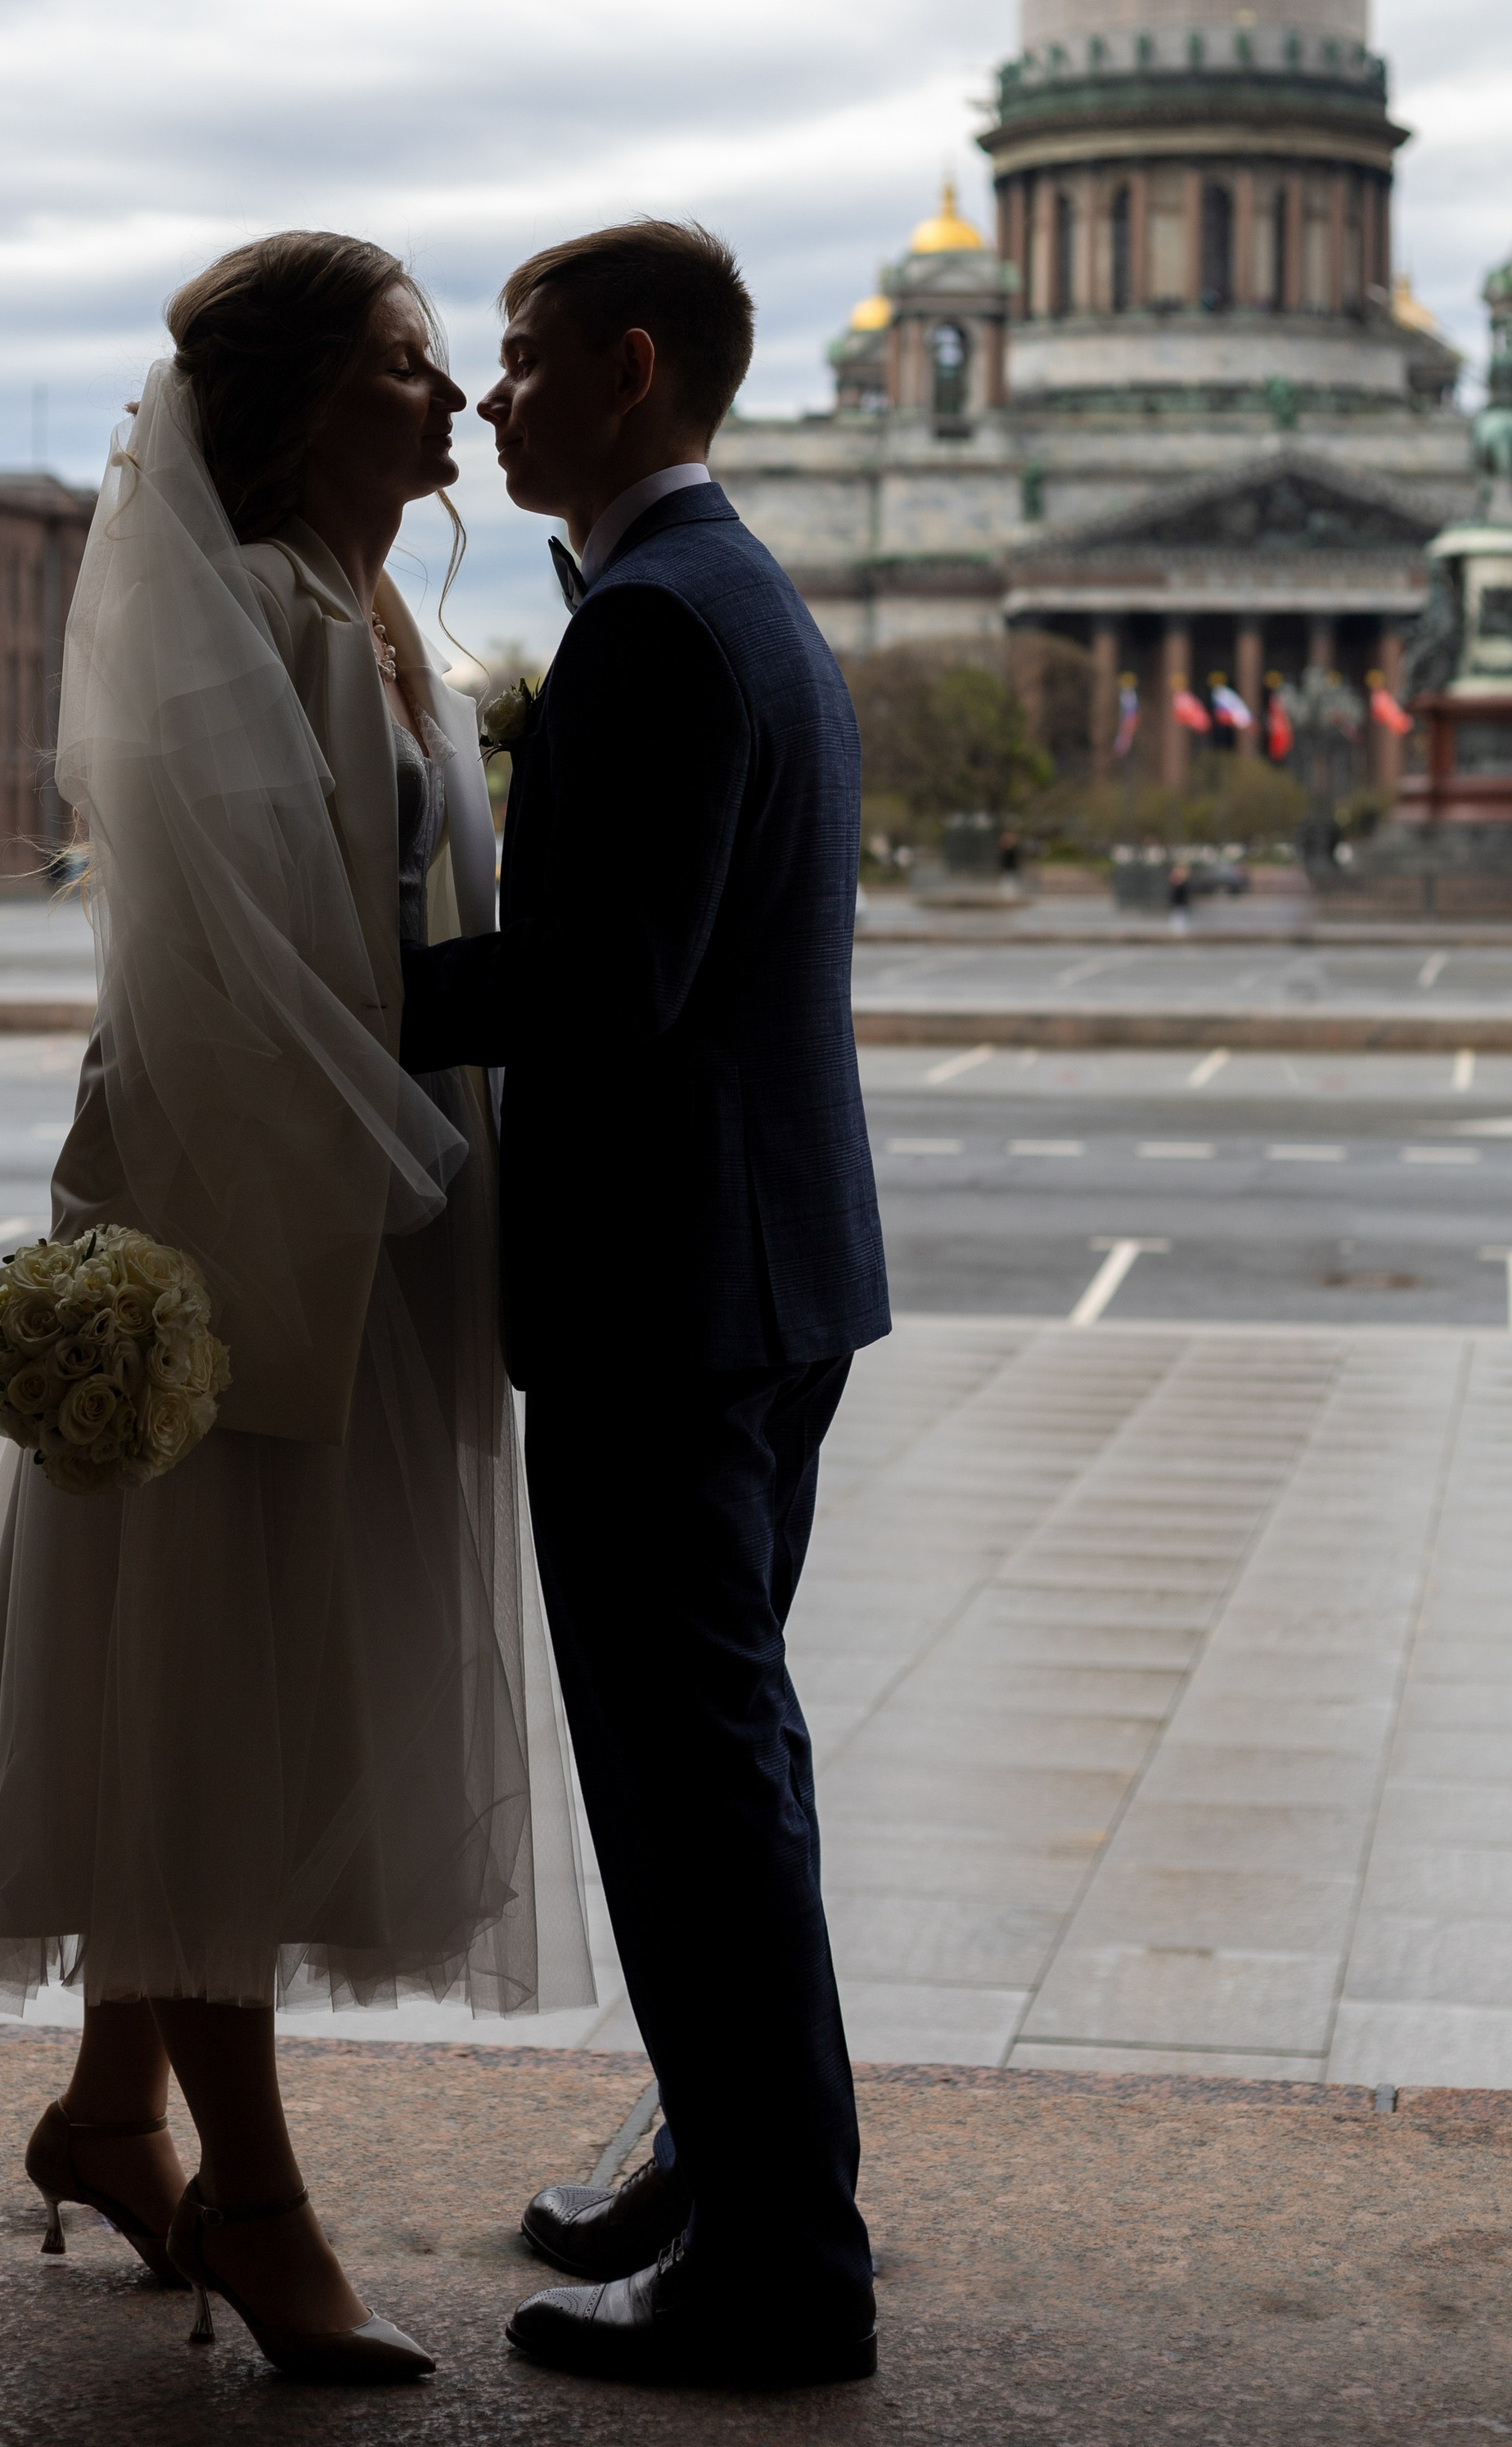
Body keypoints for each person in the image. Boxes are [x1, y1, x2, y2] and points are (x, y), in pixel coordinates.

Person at [0, 232, 591, 2386]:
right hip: (253, 1234)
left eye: (448, 370)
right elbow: (243, 984)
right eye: (406, 371)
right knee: (221, 1710)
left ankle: (106, 2109)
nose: (448, 410)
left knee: (201, 1695)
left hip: (355, 1215)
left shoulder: (371, 625)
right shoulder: (246, 626)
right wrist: (421, 1164)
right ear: (290, 412)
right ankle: (254, 2200)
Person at [396, 219, 890, 2389]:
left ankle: (781, 2272)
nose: (487, 405)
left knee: (699, 1793)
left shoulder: (663, 629)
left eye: (514, 365)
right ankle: (720, 2160)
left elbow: (613, 991)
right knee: (726, 1771)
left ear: (625, 368)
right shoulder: (729, 595)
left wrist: (341, 986)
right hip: (762, 1273)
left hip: (671, 1304)